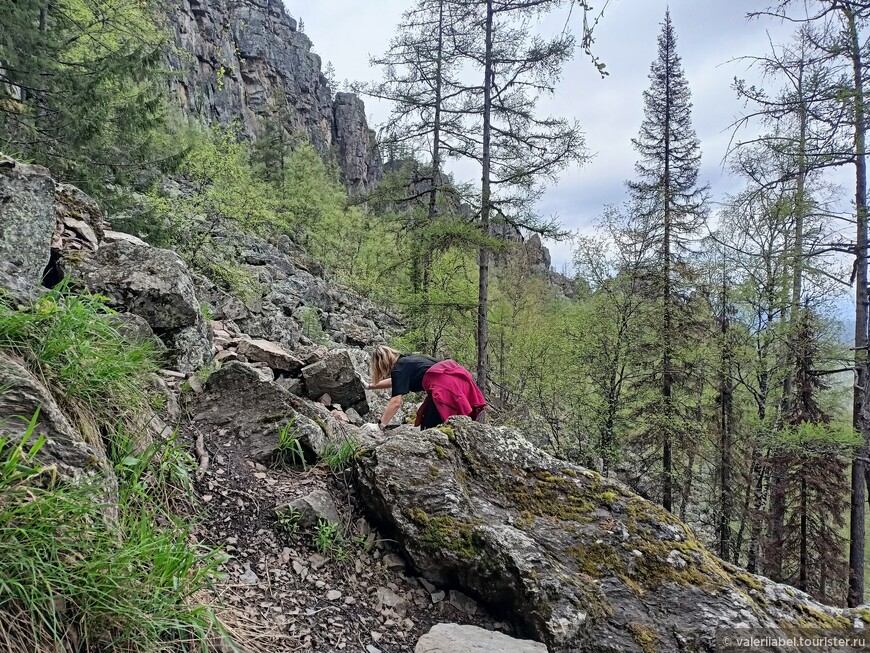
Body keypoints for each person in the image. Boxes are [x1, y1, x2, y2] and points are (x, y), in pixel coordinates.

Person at [366, 346, 486, 431]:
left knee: (431, 428)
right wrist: (370, 386)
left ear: (380, 364)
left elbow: (396, 403)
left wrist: (380, 426)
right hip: (458, 382)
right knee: (432, 422)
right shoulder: (408, 360)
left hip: (445, 389)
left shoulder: (399, 368)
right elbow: (396, 382)